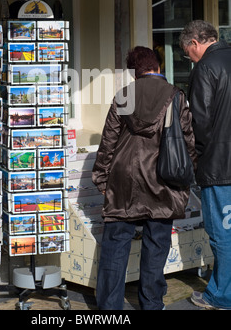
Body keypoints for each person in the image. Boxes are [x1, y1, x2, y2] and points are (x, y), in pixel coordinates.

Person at [92, 46, 196, 310]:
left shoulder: (124, 95)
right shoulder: (175, 95)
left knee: (115, 244)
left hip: (123, 180)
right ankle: (151, 303)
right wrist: (187, 176)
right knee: (156, 244)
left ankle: (109, 307)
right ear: (157, 67)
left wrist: (102, 180)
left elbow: (108, 143)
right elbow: (188, 142)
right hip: (164, 179)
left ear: (133, 73)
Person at [179, 20, 231, 310]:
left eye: (188, 53)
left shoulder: (205, 68)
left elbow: (200, 124)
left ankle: (220, 296)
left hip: (220, 167)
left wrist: (195, 159)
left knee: (223, 234)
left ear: (195, 43)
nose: (189, 58)